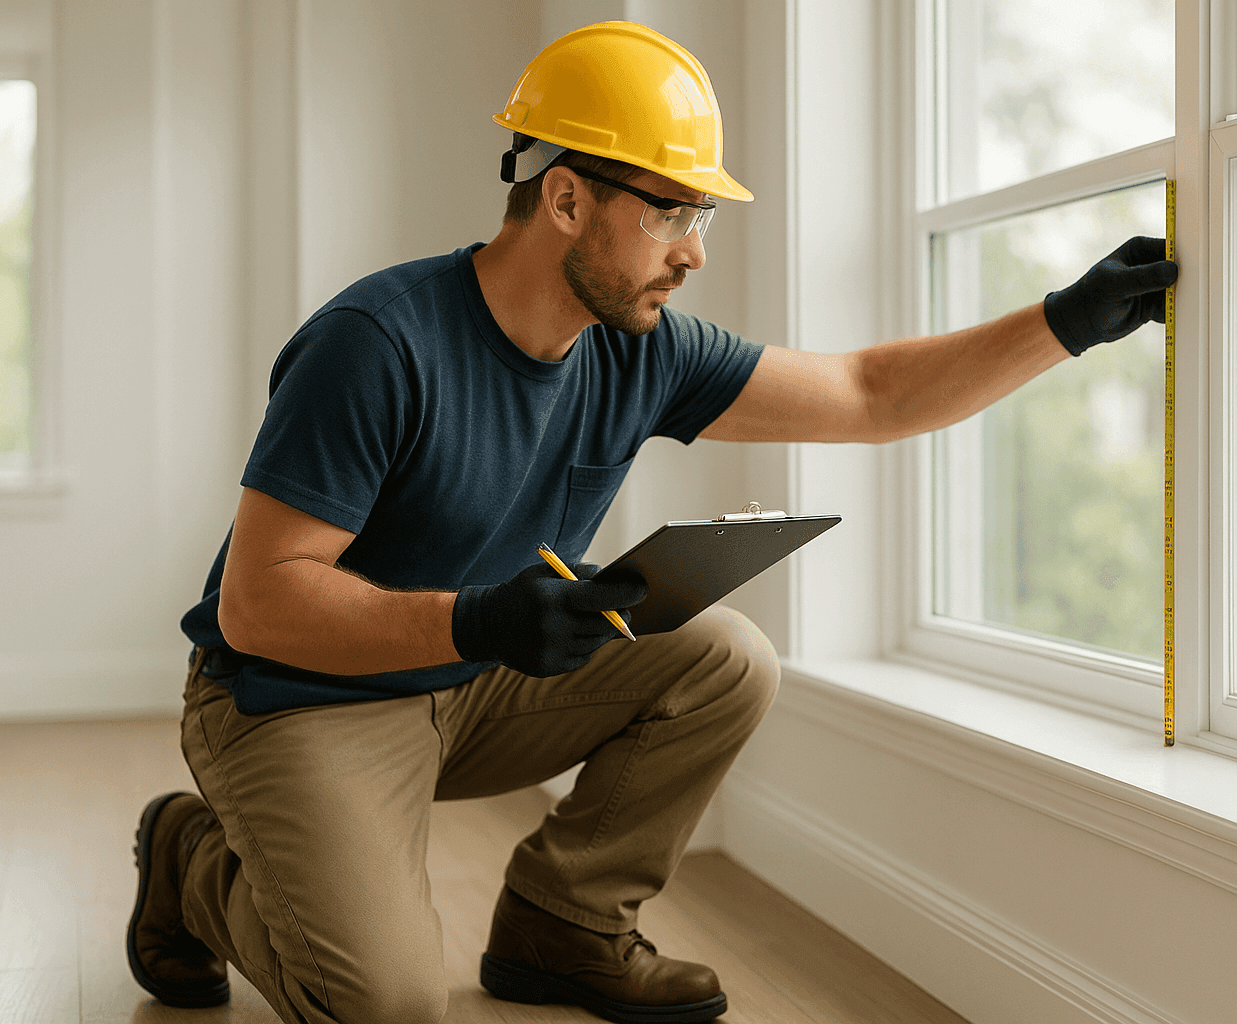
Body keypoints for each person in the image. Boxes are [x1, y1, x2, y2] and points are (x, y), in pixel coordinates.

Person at [124, 20, 1177, 1024]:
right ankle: (191, 859)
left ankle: (562, 921)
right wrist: (480, 622)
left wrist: (1064, 325)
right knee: (385, 1003)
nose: (694, 253)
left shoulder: (642, 348)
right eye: (671, 214)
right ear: (570, 200)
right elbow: (258, 603)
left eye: (700, 219)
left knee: (723, 658)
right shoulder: (376, 343)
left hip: (471, 680)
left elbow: (867, 394)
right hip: (298, 700)